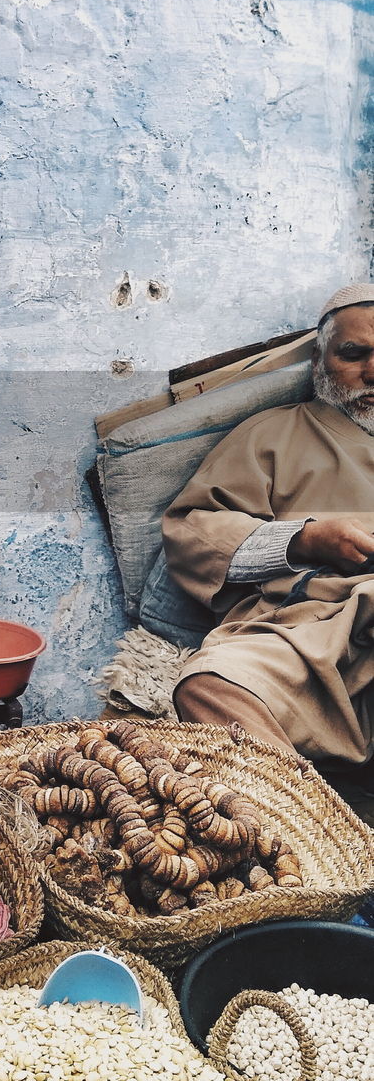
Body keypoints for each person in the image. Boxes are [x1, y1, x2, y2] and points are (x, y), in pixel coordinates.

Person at [162, 283, 374, 765]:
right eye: (353, 354)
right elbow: (192, 529)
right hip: (306, 632)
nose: (373, 371)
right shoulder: (275, 434)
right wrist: (304, 540)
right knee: (210, 686)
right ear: (320, 363)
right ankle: (311, 825)